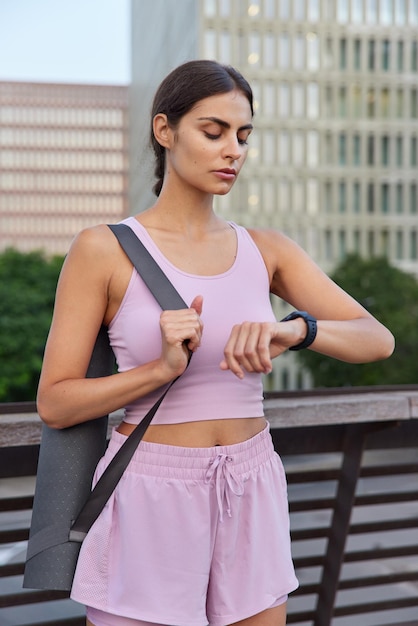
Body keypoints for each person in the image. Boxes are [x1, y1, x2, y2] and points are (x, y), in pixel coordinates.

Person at [37, 59, 395, 626]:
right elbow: (55, 401)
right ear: (165, 131)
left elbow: (377, 339)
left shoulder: (267, 249)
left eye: (243, 135)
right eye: (213, 131)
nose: (234, 150)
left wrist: (294, 330)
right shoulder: (102, 249)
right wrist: (158, 370)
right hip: (150, 489)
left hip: (252, 480)